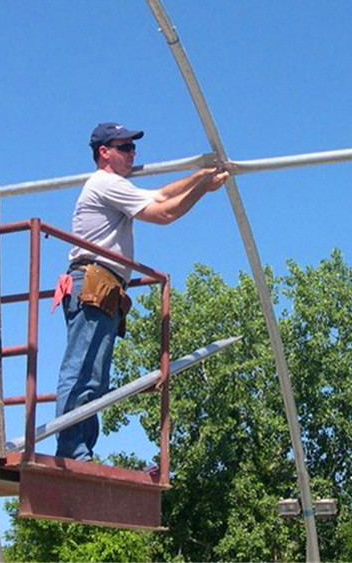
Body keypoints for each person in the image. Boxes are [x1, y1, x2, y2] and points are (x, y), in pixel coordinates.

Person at [54, 122, 228, 461]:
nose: (133, 153)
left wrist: (200, 181)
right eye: (125, 147)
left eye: (133, 147)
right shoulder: (106, 183)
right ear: (104, 153)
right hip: (93, 283)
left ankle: (80, 449)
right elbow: (163, 210)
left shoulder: (116, 186)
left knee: (94, 376)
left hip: (104, 285)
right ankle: (73, 450)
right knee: (83, 371)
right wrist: (202, 183)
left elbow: (160, 197)